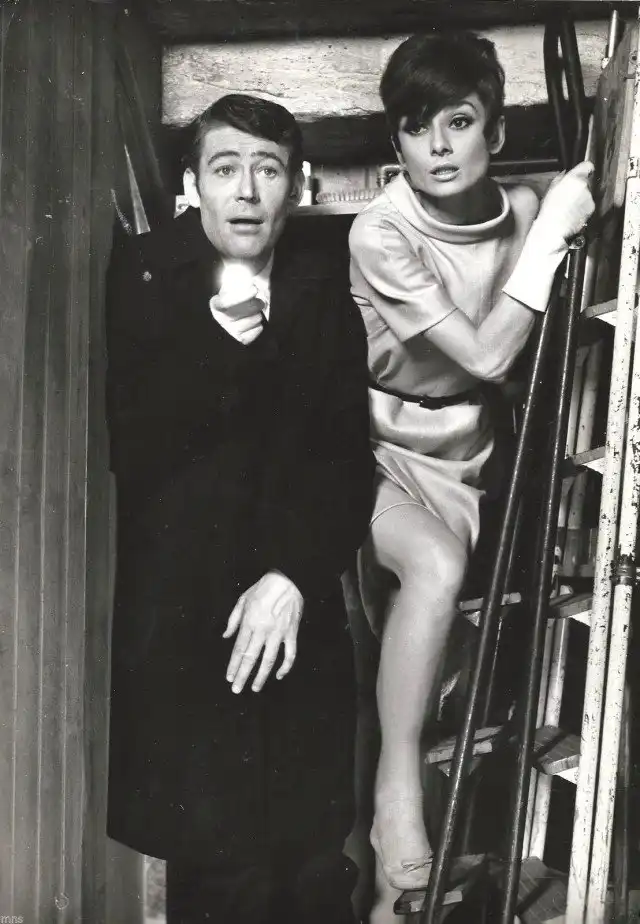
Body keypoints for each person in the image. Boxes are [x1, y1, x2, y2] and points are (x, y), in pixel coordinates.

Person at [105, 93, 375, 924]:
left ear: (296, 186)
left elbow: (348, 466)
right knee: (222, 875)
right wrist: (225, 348)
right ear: (193, 185)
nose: (248, 191)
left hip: (295, 617)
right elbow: (140, 450)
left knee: (313, 864)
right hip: (189, 626)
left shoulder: (321, 290)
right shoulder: (145, 275)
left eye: (268, 170)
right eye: (226, 170)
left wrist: (292, 577)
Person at [348, 31, 595, 910]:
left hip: (466, 459)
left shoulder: (521, 211)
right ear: (397, 142)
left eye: (459, 121)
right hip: (370, 448)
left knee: (438, 659)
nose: (439, 147)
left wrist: (552, 221)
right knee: (435, 570)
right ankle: (396, 796)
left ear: (495, 127)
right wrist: (553, 235)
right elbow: (489, 353)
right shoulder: (380, 230)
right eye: (416, 128)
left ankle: (390, 897)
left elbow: (508, 369)